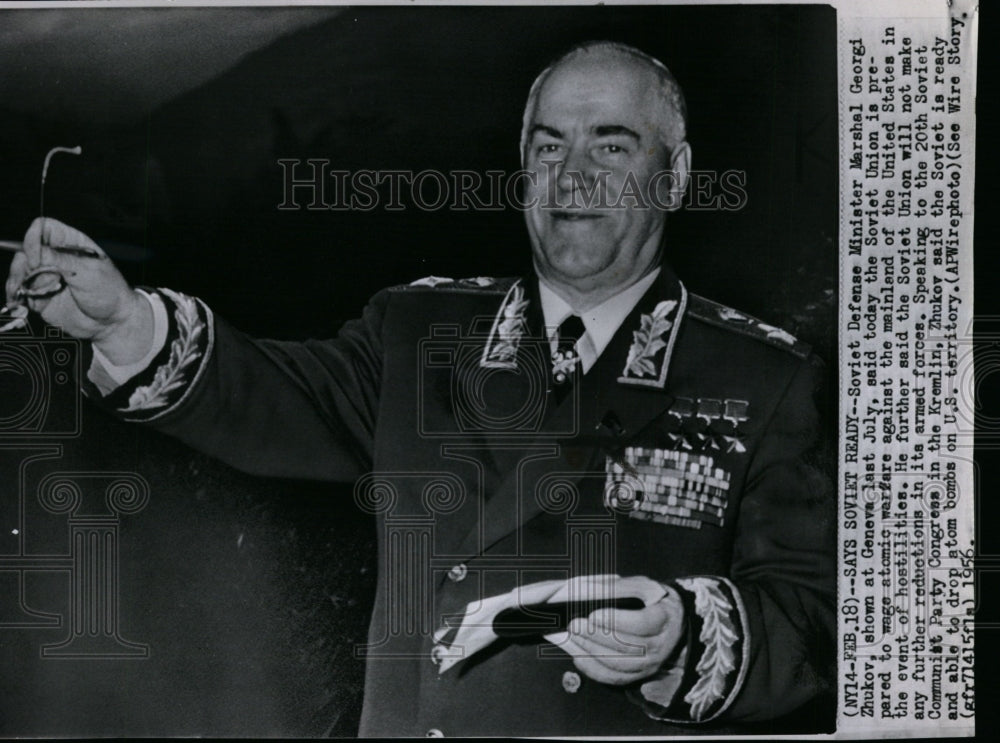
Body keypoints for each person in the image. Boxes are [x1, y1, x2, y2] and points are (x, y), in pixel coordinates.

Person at [3, 41, 835, 737]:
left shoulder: (763, 378)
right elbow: (270, 390)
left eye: (611, 146)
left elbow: (811, 625)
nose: (571, 175)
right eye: (549, 147)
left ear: (676, 173)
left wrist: (683, 636)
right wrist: (120, 324)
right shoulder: (418, 331)